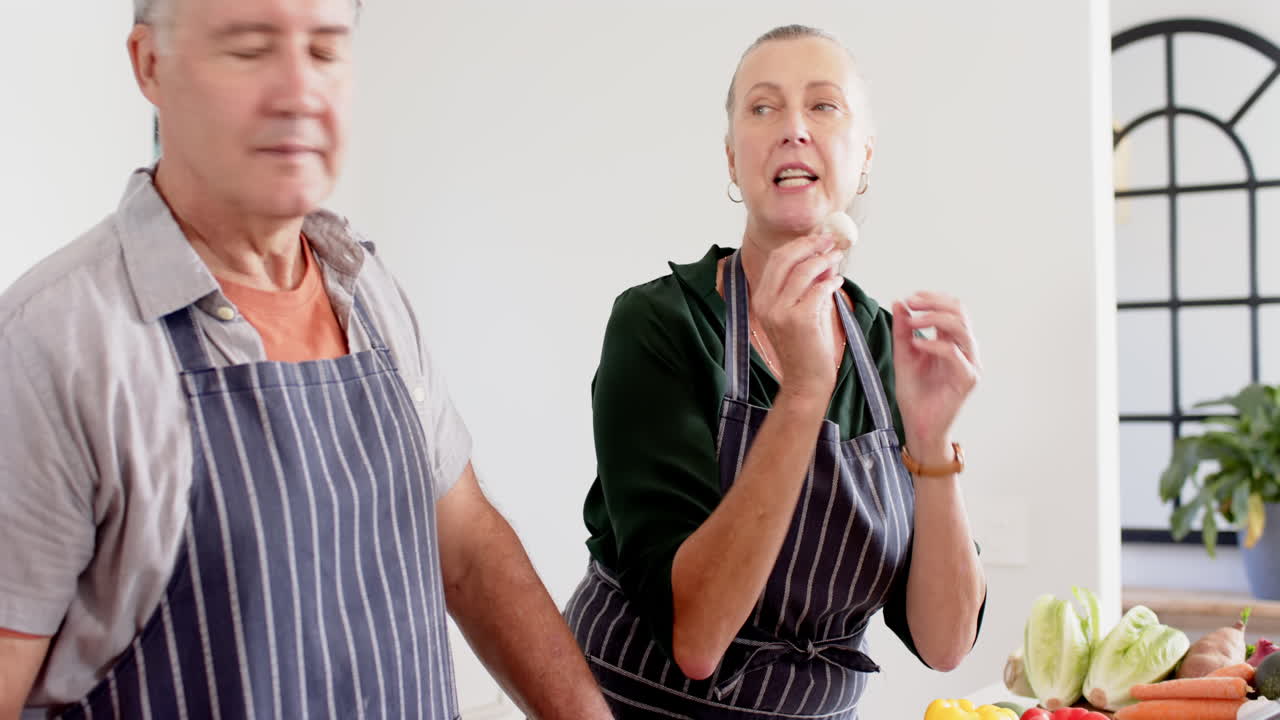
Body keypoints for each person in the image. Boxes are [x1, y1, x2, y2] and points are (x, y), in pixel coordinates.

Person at [0, 1, 612, 718]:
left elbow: (469, 551)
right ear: (150, 65)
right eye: (248, 48)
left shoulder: (368, 291)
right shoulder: (54, 344)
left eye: (324, 50)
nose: (298, 92)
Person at [565, 24, 987, 718]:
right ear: (733, 160)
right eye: (763, 108)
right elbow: (696, 639)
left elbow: (945, 643)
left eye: (824, 106)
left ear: (865, 158)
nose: (793, 127)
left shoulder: (889, 346)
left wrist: (935, 444)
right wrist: (804, 392)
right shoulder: (661, 326)